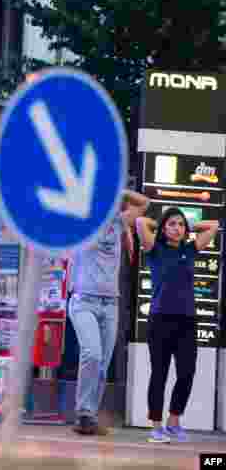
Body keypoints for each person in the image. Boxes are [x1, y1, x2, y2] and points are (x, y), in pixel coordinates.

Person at [68, 190, 149, 436]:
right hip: (83, 301)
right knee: (92, 354)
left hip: (110, 303)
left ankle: (88, 418)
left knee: (103, 364)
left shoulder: (118, 222)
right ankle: (83, 412)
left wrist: (118, 189)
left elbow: (144, 203)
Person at [136, 207, 218, 443]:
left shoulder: (189, 249)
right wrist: (163, 223)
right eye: (172, 224)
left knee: (187, 373)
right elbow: (140, 222)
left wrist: (188, 226)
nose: (177, 228)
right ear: (163, 228)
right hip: (160, 320)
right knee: (159, 374)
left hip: (187, 321)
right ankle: (156, 427)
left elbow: (213, 226)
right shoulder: (154, 248)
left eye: (181, 224)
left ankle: (173, 422)